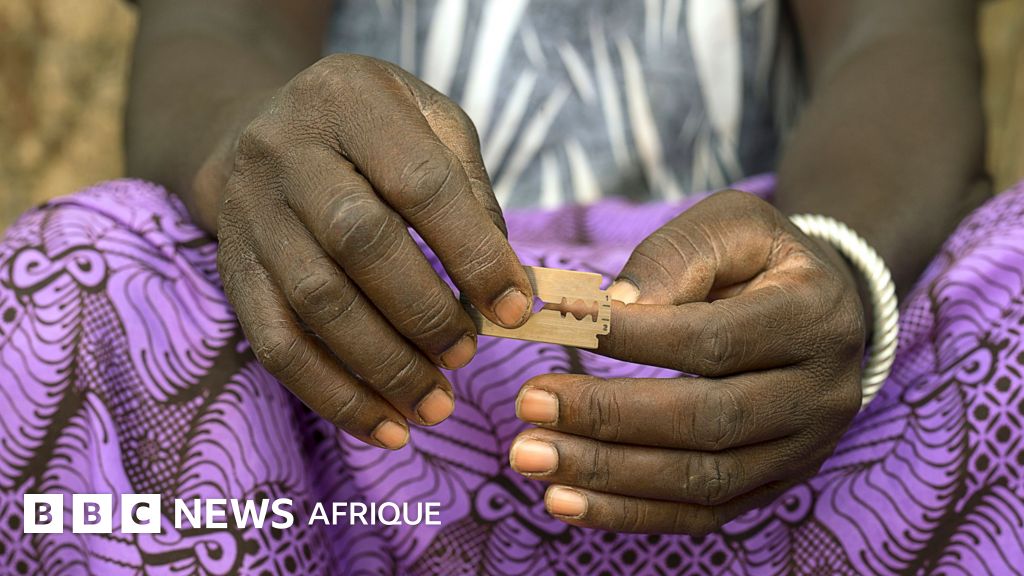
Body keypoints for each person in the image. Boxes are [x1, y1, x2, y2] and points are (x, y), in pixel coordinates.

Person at [2, 0, 1021, 573]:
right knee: (74, 275)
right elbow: (214, 32)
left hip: (775, 373)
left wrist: (837, 267)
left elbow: (893, 36)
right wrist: (258, 164)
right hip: (359, 365)